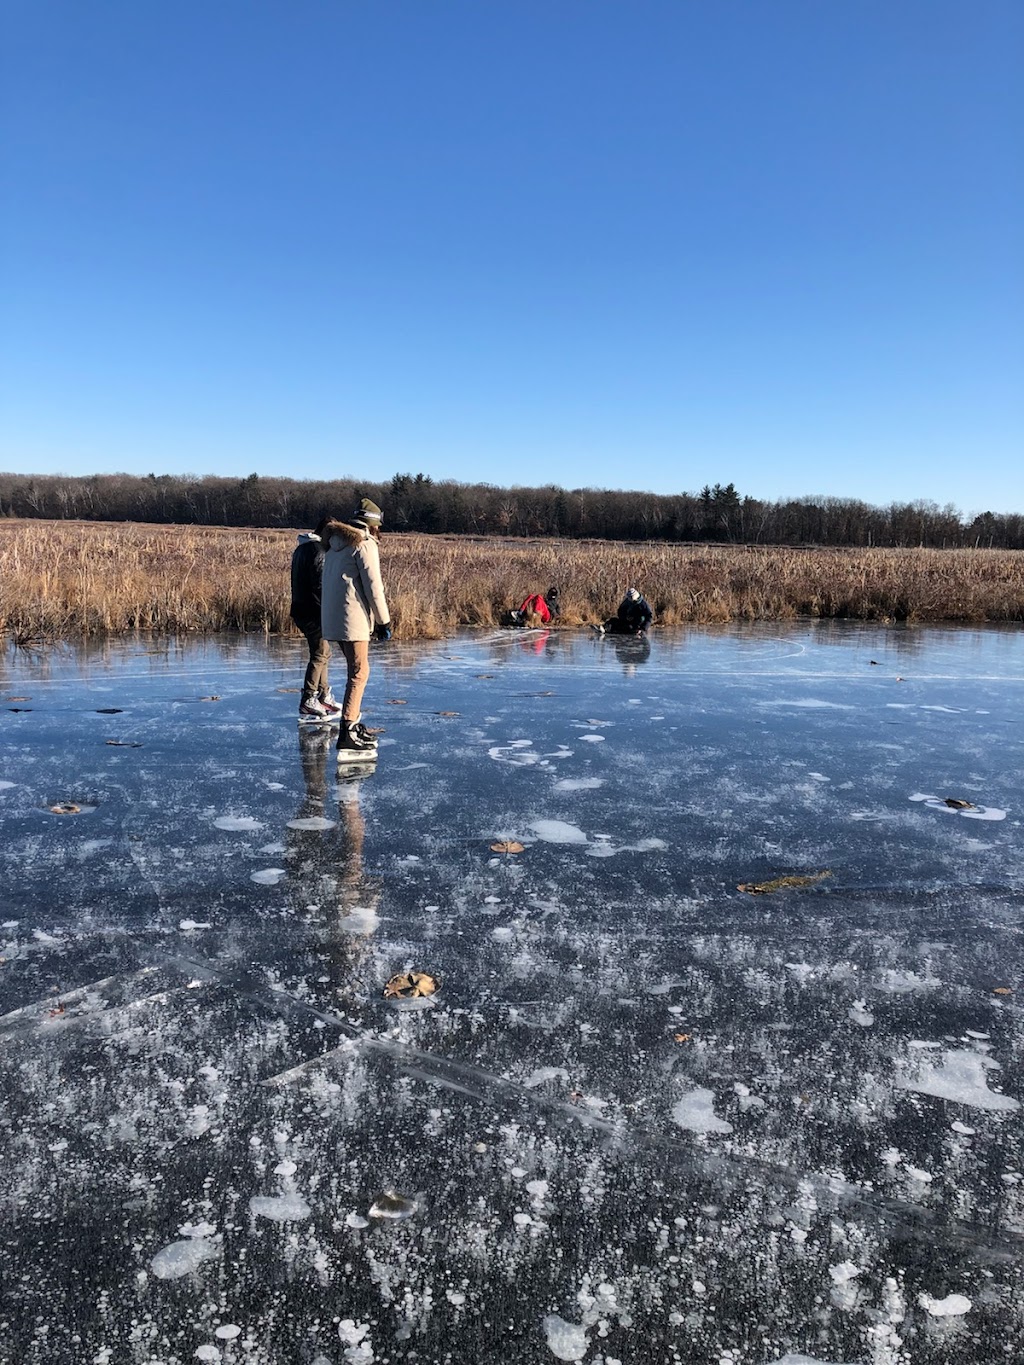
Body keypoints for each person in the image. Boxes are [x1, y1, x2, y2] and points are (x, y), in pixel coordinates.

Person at [321, 498, 392, 756]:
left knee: (356, 670)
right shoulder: (364, 545)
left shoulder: (334, 546)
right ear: (373, 525)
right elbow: (375, 587)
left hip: (334, 618)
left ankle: (352, 724)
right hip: (353, 618)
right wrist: (384, 621)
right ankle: (348, 730)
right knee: (360, 672)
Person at [290, 516, 342, 721]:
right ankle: (309, 699)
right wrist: (331, 611)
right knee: (320, 654)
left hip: (302, 609)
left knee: (323, 652)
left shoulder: (302, 549)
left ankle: (323, 694)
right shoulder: (318, 552)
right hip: (314, 612)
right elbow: (320, 586)